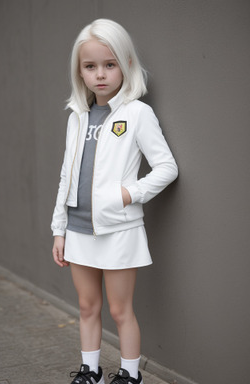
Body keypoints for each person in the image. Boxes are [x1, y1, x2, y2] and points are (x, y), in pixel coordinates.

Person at [51, 18, 178, 384]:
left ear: (127, 65)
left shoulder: (138, 114)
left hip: (118, 229)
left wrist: (128, 194)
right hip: (78, 230)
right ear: (80, 72)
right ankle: (90, 372)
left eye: (110, 64)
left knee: (121, 310)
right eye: (90, 66)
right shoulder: (77, 117)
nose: (100, 75)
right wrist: (58, 229)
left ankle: (130, 374)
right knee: (88, 307)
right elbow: (66, 176)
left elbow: (167, 167)